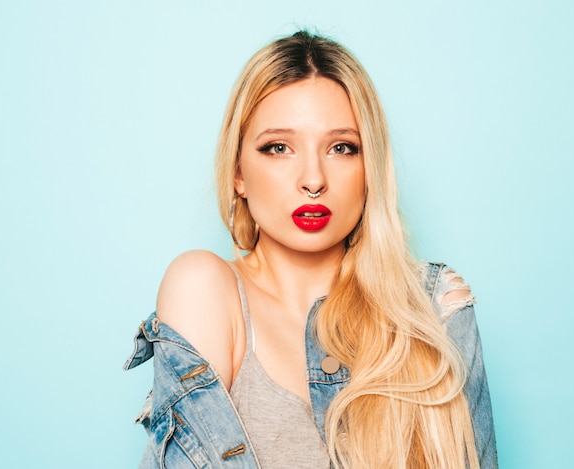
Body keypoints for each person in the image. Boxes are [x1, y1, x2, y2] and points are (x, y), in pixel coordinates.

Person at [125, 31, 498, 469]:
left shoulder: (435, 308)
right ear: (238, 173)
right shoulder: (205, 290)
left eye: (342, 148)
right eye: (278, 147)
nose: (313, 179)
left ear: (369, 167)